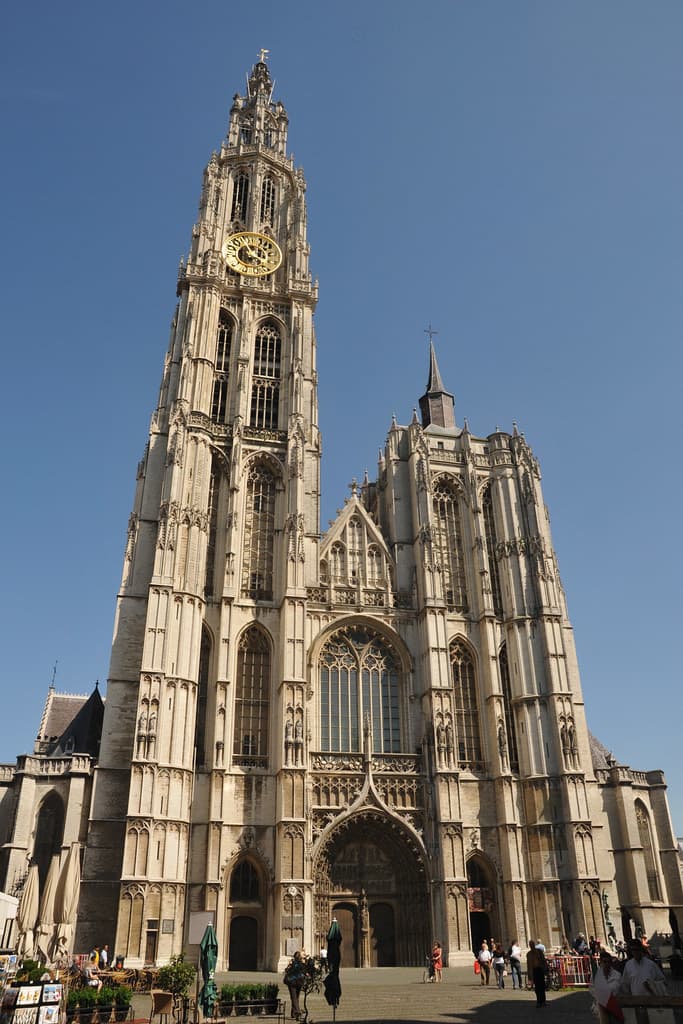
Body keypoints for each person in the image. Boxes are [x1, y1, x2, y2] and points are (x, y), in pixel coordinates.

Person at [592, 950, 623, 1024]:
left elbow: (616, 990)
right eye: (605, 962)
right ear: (600, 962)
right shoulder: (596, 976)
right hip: (601, 1009)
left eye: (609, 961)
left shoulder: (617, 975)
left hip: (614, 1008)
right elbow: (593, 991)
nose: (607, 964)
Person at [283, 950, 306, 1019]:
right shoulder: (301, 964)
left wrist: (289, 965)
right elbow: (304, 971)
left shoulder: (293, 963)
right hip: (299, 982)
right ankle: (293, 1013)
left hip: (292, 982)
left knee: (293, 997)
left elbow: (287, 970)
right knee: (296, 997)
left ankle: (297, 1011)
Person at [527, 940, 547, 1008]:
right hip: (534, 971)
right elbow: (528, 965)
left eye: (532, 944)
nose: (531, 946)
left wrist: (545, 969)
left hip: (540, 969)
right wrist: (529, 976)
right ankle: (539, 1001)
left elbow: (543, 960)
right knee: (537, 987)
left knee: (542, 985)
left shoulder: (539, 951)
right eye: (530, 945)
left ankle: (543, 1001)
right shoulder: (529, 954)